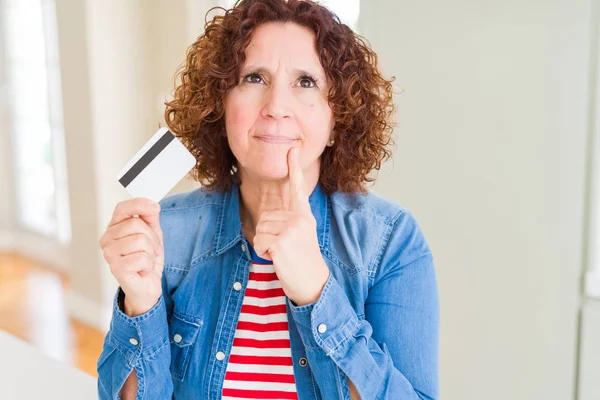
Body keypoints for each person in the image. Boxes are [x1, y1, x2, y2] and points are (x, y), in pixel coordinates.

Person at [97, 0, 439, 399]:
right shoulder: (166, 231)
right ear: (220, 106)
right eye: (255, 78)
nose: (276, 107)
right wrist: (141, 303)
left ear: (337, 120)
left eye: (306, 82)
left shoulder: (391, 242)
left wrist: (317, 291)